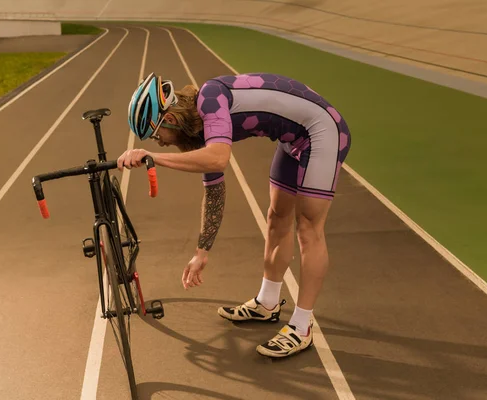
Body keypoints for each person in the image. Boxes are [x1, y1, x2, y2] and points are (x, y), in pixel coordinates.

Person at [118, 72, 351, 358]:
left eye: (156, 135)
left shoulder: (210, 98)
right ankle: (267, 303)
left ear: (170, 119)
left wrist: (152, 158)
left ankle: (302, 326)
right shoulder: (200, 132)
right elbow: (215, 191)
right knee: (277, 217)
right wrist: (202, 251)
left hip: (323, 130)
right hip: (294, 139)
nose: (160, 143)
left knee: (308, 228)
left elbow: (219, 158)